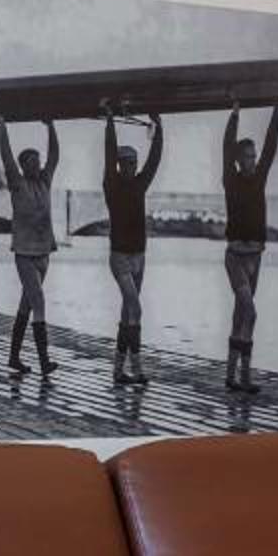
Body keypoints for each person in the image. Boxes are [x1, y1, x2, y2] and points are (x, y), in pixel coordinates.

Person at [218, 105, 278, 395]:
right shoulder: (230, 180)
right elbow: (225, 147)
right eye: (247, 156)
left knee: (240, 317)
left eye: (254, 156)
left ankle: (232, 377)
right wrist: (235, 114)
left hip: (256, 257)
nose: (253, 160)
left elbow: (271, 146)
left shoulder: (259, 177)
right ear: (238, 159)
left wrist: (276, 110)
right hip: (235, 258)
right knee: (251, 313)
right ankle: (243, 376)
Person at [0, 115, 64, 380]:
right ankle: (44, 361)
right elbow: (6, 156)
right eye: (31, 162)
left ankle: (13, 357)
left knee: (26, 306)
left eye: (38, 161)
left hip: (44, 253)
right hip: (25, 254)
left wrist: (51, 126)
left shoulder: (44, 182)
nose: (37, 165)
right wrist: (2, 125)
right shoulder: (17, 183)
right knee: (39, 301)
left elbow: (55, 156)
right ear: (23, 167)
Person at [99, 109, 163, 385]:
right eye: (126, 163)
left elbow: (155, 159)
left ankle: (118, 371)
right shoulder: (111, 185)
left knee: (128, 312)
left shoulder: (140, 184)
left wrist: (159, 127)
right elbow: (108, 152)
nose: (132, 167)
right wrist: (110, 121)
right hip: (120, 258)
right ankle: (136, 368)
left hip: (140, 257)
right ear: (119, 165)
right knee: (136, 308)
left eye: (134, 163)